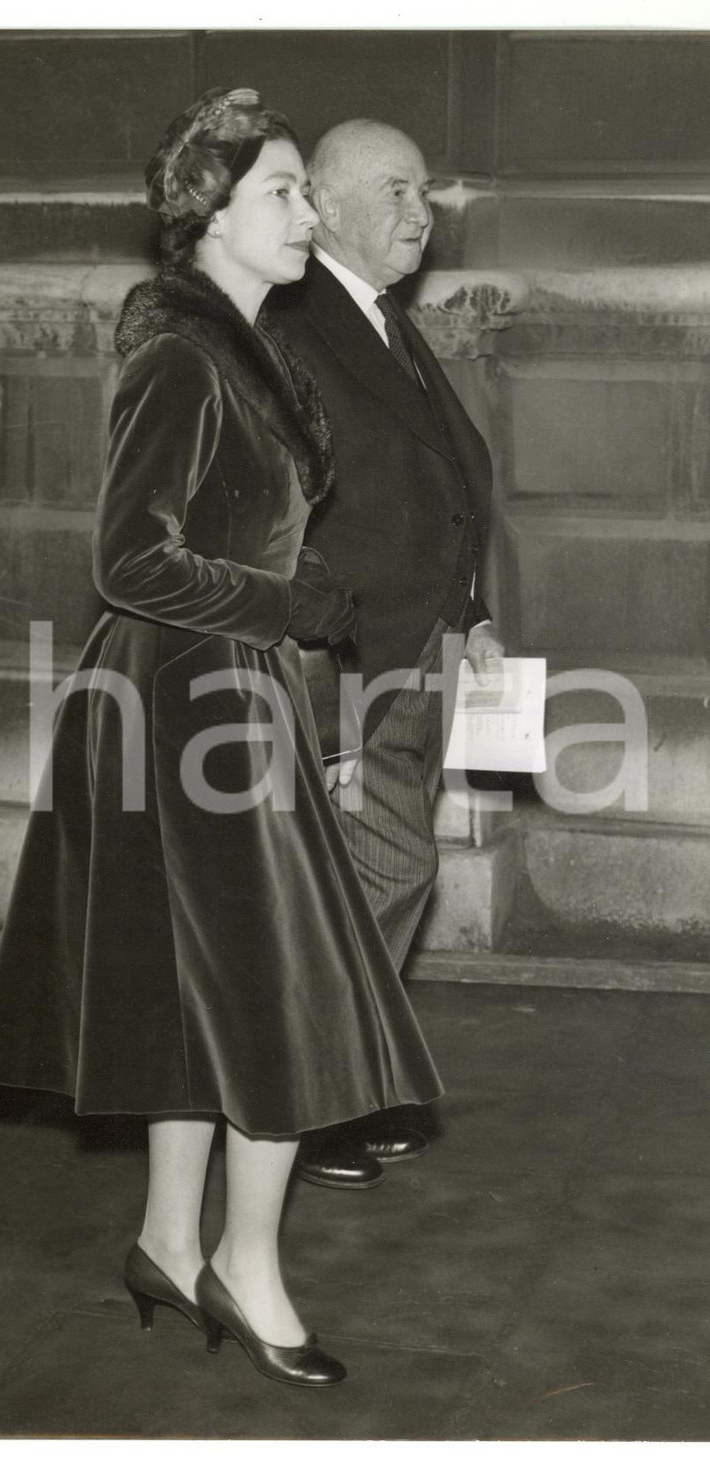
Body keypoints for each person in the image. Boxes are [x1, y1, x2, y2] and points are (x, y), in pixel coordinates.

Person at [0, 90, 442, 1387]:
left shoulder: (239, 344)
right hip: (192, 705)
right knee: (287, 994)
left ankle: (172, 1243)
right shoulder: (185, 356)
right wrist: (290, 604)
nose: (307, 214)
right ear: (210, 215)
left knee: (202, 989)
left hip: (220, 697)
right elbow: (131, 560)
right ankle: (248, 1263)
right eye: (284, 192)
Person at [267, 120, 505, 1192]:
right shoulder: (290, 324)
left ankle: (339, 1084)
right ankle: (309, 1099)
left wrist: (473, 608)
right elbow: (281, 519)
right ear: (320, 201)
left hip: (417, 647)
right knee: (383, 868)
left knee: (371, 875)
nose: (424, 214)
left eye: (427, 193)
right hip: (349, 662)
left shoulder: (376, 319)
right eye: (398, 191)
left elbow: (439, 482)